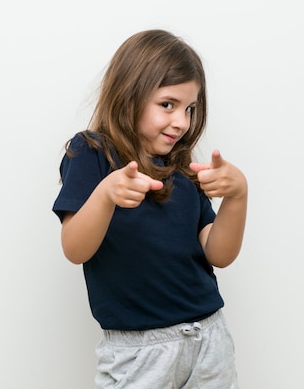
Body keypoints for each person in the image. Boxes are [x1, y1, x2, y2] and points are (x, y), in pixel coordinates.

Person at [52, 29, 248, 389]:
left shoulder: (184, 172)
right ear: (129, 95)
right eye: (168, 105)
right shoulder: (91, 154)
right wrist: (106, 194)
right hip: (138, 354)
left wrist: (238, 197)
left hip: (209, 340)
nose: (181, 122)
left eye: (189, 108)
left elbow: (218, 254)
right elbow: (75, 248)